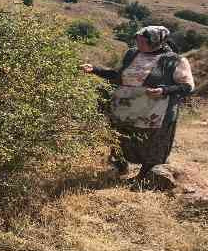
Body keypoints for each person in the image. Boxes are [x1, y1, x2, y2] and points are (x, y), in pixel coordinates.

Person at [81, 26, 194, 181]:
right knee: (120, 137)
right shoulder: (132, 54)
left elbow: (187, 86)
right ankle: (120, 167)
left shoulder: (175, 61)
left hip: (155, 112)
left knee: (152, 143)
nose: (138, 43)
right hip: (125, 109)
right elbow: (118, 76)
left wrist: (164, 90)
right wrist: (95, 69)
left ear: (157, 42)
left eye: (143, 41)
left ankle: (146, 176)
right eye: (137, 40)